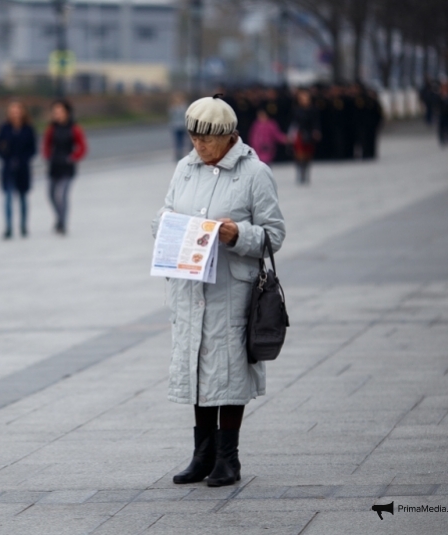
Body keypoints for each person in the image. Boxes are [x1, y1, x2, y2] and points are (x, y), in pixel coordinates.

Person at [152, 95, 285, 488]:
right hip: (190, 285)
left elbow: (273, 236)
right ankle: (202, 454)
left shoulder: (254, 173)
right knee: (197, 368)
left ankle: (229, 458)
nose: (198, 146)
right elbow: (164, 212)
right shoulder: (185, 169)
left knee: (227, 373)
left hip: (231, 290)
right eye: (193, 138)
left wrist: (237, 234)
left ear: (227, 137)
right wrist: (165, 227)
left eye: (206, 140)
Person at [0, 101, 37, 239]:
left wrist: (24, 159)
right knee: (7, 197)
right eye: (12, 110)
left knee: (23, 198)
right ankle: (8, 227)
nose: (15, 113)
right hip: (8, 167)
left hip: (23, 168)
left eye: (18, 110)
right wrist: (4, 156)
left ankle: (23, 225)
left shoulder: (28, 128)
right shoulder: (4, 128)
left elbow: (33, 149)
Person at [42, 100, 87, 235]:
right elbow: (46, 145)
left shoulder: (74, 128)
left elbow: (82, 147)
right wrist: (48, 156)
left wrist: (73, 157)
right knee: (51, 195)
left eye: (60, 111)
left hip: (67, 166)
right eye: (55, 112)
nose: (57, 115)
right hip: (54, 165)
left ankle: (62, 222)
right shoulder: (51, 128)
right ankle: (59, 217)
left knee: (62, 195)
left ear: (67, 113)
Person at [290, 90, 321, 185]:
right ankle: (300, 172)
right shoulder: (296, 110)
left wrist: (316, 131)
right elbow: (293, 123)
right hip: (299, 134)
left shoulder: (313, 110)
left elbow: (316, 122)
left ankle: (306, 173)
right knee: (299, 154)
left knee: (308, 154)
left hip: (309, 134)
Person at [169, 93, 189, 160]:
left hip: (182, 126)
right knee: (177, 141)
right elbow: (172, 116)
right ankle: (178, 154)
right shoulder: (173, 107)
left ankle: (181, 153)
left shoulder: (183, 106)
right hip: (176, 126)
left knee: (182, 141)